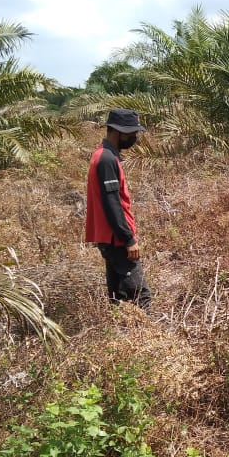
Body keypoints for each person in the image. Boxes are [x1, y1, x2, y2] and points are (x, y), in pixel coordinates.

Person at [85, 108, 152, 312]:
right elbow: (111, 203)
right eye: (132, 133)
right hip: (116, 239)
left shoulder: (103, 155)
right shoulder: (106, 159)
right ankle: (145, 331)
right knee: (141, 295)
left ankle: (119, 327)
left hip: (110, 238)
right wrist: (128, 239)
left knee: (118, 297)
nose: (134, 137)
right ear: (117, 131)